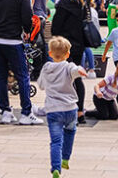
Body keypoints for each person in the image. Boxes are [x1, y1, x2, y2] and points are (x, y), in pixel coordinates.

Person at [37, 36, 87, 178]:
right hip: (70, 108)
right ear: (68, 54)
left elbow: (40, 85)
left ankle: (56, 169)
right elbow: (76, 70)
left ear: (50, 53)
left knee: (56, 141)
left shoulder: (46, 68)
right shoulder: (68, 66)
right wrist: (81, 71)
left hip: (53, 110)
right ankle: (65, 158)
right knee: (70, 131)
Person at [50, 0, 90, 124]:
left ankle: (66, 110)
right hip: (78, 44)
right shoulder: (81, 1)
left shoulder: (63, 4)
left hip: (64, 45)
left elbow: (56, 27)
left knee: (65, 78)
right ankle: (80, 111)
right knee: (77, 77)